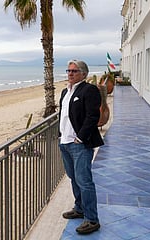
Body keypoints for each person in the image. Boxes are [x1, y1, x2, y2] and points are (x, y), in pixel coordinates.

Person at [59, 59, 104, 234]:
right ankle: (79, 208)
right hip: (65, 142)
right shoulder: (65, 91)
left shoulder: (89, 90)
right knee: (73, 177)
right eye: (68, 71)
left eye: (74, 71)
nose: (70, 74)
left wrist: (80, 138)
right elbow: (64, 116)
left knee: (84, 181)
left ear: (83, 74)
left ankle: (92, 219)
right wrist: (60, 135)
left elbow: (93, 116)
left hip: (79, 144)